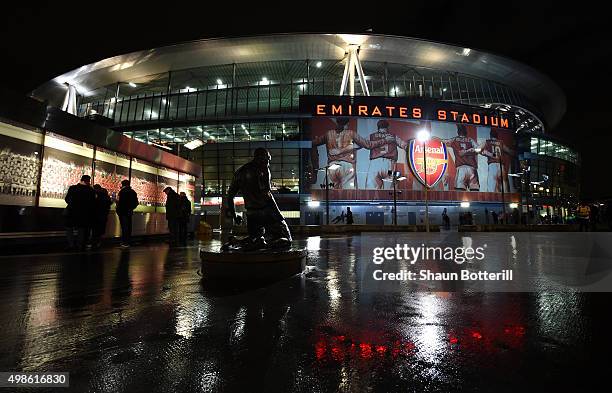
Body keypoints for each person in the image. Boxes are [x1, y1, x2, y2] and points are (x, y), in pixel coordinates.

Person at [224, 148, 292, 250]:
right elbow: (266, 192)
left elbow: (230, 196)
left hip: (252, 213)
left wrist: (234, 216)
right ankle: (263, 244)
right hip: (266, 209)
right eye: (268, 159)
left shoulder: (240, 172)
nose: (268, 163)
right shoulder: (263, 169)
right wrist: (277, 214)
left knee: (254, 237)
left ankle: (237, 242)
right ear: (263, 158)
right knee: (287, 240)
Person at [311, 117, 390, 189]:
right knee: (348, 193)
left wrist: (315, 166)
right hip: (347, 166)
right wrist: (384, 140)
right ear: (347, 123)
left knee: (328, 194)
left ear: (337, 123)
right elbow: (368, 145)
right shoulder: (351, 133)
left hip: (332, 166)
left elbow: (312, 143)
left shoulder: (328, 134)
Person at [366, 120, 408, 189]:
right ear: (387, 127)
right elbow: (405, 145)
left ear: (378, 127)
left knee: (372, 191)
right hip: (389, 164)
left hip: (374, 163)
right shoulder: (393, 136)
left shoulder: (371, 136)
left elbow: (360, 144)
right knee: (390, 192)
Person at [443, 124, 480, 191]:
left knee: (460, 193)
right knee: (475, 192)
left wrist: (434, 138)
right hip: (472, 169)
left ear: (458, 132)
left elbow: (443, 141)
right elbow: (479, 149)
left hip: (461, 169)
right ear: (466, 132)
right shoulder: (470, 140)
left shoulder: (454, 140)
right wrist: (469, 150)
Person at [64, 174, 96, 250]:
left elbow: (67, 199)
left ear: (81, 180)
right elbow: (93, 203)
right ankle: (80, 245)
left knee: (69, 228)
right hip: (84, 214)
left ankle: (71, 244)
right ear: (88, 181)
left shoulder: (73, 188)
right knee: (81, 229)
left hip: (72, 212)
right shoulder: (91, 190)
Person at [116, 179, 138, 247]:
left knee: (124, 227)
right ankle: (127, 241)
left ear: (123, 185)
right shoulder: (133, 192)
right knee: (128, 227)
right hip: (129, 212)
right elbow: (136, 203)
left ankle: (125, 242)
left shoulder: (122, 192)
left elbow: (118, 202)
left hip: (122, 212)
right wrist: (131, 208)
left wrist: (118, 209)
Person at [91, 184, 112, 248]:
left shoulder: (96, 196)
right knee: (101, 230)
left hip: (96, 215)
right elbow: (109, 204)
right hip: (104, 215)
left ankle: (94, 242)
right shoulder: (106, 196)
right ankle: (99, 242)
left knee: (95, 230)